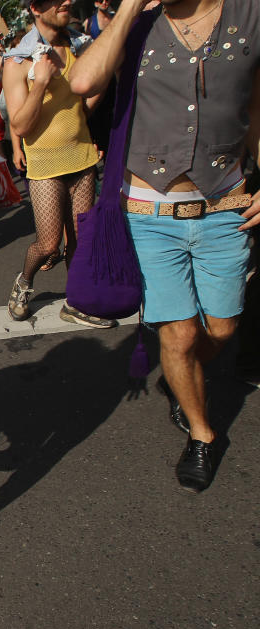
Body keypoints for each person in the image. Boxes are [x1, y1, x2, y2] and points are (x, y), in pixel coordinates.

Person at [69, 0, 260, 491]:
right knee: (176, 336)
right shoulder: (137, 26)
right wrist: (129, 9)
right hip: (149, 214)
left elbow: (257, 109)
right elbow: (83, 82)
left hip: (225, 208)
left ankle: (182, 376)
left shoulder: (250, 15)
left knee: (220, 328)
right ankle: (202, 432)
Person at [2, 0, 114, 328]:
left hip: (82, 158)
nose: (66, 1)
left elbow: (97, 86)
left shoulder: (82, 46)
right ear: (36, 8)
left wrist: (85, 114)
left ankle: (76, 301)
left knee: (81, 237)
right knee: (50, 243)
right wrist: (40, 83)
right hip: (45, 165)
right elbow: (20, 125)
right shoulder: (18, 61)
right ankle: (23, 282)